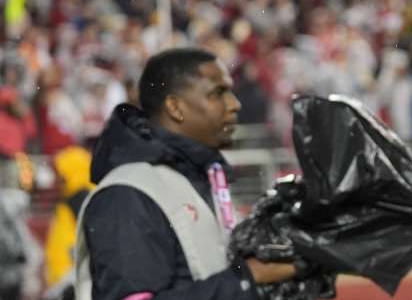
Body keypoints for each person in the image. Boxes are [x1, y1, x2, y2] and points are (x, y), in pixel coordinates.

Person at [75, 48, 298, 300]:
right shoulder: (126, 194)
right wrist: (247, 278)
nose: (235, 104)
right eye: (218, 93)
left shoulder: (199, 176)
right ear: (175, 107)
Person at [43, 146, 93, 294]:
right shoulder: (70, 198)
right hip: (66, 279)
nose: (57, 178)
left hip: (71, 279)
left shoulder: (82, 200)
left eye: (60, 173)